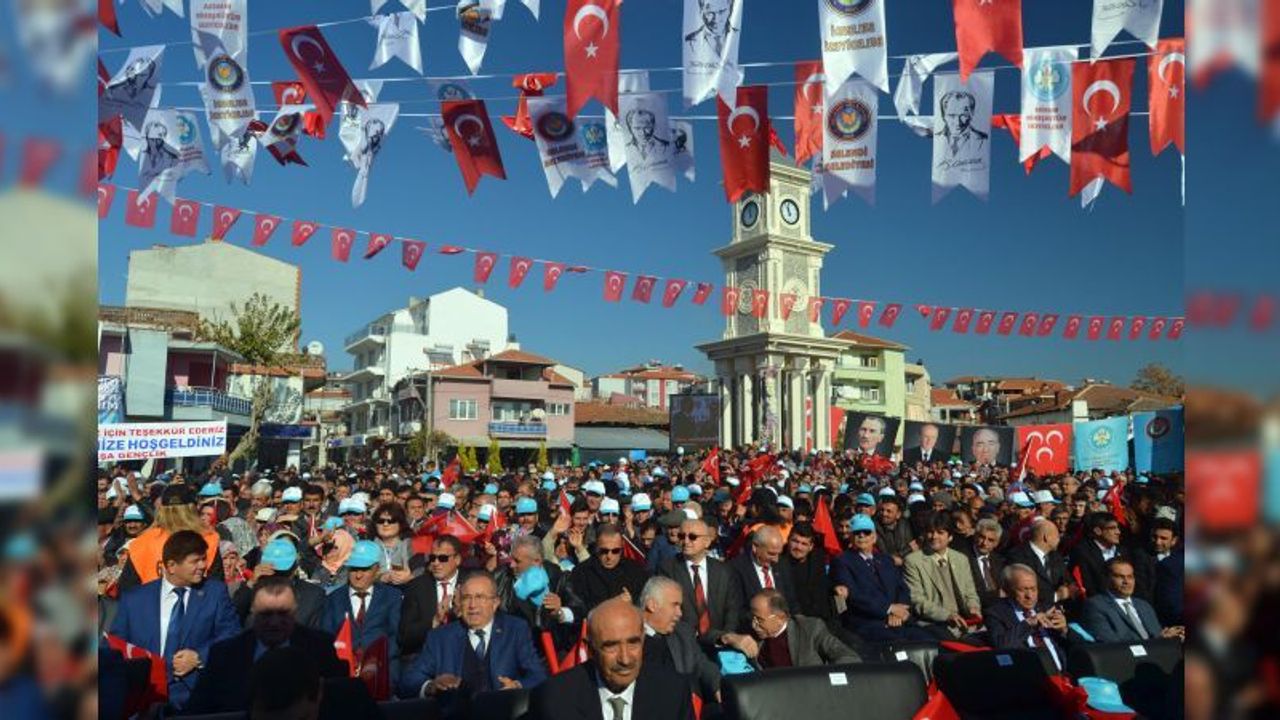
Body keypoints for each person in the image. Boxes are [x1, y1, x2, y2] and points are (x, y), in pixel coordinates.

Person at [110, 530, 240, 711]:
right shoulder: (135, 599)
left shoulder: (215, 593)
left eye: (204, 559)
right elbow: (116, 646)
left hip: (195, 695)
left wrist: (199, 657)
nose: (203, 565)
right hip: (145, 696)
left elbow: (232, 635)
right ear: (171, 566)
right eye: (195, 561)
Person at [186, 577, 348, 714]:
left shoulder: (319, 647)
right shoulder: (224, 655)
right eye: (266, 614)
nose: (274, 623)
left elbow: (338, 705)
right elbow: (197, 710)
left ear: (295, 611)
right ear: (253, 612)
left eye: (283, 614)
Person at [528, 597, 694, 720]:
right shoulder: (554, 698)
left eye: (633, 643)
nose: (625, 659)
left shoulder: (672, 692)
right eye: (611, 646)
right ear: (590, 648)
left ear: (643, 640)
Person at [398, 573, 547, 700]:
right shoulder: (441, 638)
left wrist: (517, 686)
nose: (472, 605)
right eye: (466, 598)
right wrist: (431, 686)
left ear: (495, 603)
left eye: (480, 597)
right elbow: (408, 682)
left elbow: (538, 675)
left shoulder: (515, 630)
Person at [830, 515, 934, 642]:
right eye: (857, 533)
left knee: (929, 641)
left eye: (866, 532)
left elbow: (902, 588)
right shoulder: (842, 561)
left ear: (874, 537)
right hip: (867, 623)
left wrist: (900, 609)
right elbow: (853, 595)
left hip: (899, 619)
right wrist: (889, 609)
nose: (861, 535)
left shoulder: (886, 560)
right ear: (851, 537)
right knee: (900, 645)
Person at [656, 517, 743, 648]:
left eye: (692, 537)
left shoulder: (724, 570)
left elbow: (732, 609)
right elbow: (667, 610)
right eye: (681, 536)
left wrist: (726, 637)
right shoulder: (667, 569)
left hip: (721, 643)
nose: (686, 541)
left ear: (707, 542)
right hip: (685, 645)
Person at [319, 540, 402, 676]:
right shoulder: (333, 599)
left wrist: (375, 661)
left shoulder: (392, 597)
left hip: (382, 669)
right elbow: (326, 638)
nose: (358, 575)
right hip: (342, 671)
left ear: (377, 569)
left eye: (364, 569)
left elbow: (396, 636)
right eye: (354, 569)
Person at [495, 534, 585, 656]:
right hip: (510, 650)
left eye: (517, 561)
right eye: (512, 559)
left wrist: (560, 612)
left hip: (548, 654)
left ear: (537, 561)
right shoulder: (499, 577)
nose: (511, 565)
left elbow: (580, 611)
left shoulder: (558, 578)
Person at [639, 576, 720, 703]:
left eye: (680, 606)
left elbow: (702, 664)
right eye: (674, 605)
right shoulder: (629, 637)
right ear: (652, 605)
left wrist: (717, 686)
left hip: (688, 705)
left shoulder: (683, 633)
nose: (680, 613)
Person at [902, 515, 982, 639]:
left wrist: (973, 607)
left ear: (950, 537)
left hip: (964, 620)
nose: (934, 536)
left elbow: (970, 592)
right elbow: (917, 600)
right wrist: (947, 616)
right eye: (930, 532)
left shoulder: (961, 559)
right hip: (934, 623)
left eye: (940, 532)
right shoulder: (913, 561)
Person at [985, 565, 1073, 672]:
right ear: (1007, 590)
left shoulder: (1046, 607)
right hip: (1027, 675)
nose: (1030, 596)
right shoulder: (996, 613)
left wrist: (1064, 630)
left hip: (1062, 673)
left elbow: (1074, 644)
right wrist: (1029, 623)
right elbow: (1001, 646)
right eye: (1023, 590)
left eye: (1033, 589)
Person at [746, 589, 859, 669]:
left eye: (759, 620)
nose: (754, 625)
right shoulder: (751, 637)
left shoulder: (809, 629)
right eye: (752, 618)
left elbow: (847, 657)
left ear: (780, 618)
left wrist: (824, 679)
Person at [1080, 558, 1183, 643]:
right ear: (1106, 579)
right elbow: (1111, 645)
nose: (1126, 582)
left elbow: (1157, 635)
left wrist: (1170, 636)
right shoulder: (1095, 606)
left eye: (1130, 577)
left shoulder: (1144, 605)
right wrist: (1158, 640)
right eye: (1120, 577)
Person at [231, 537, 326, 630]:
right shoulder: (251, 592)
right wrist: (251, 583)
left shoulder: (314, 596)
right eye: (274, 572)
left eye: (282, 573)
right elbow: (233, 615)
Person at [398, 535, 466, 661]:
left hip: (464, 654)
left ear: (457, 559)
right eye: (432, 558)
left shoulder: (471, 582)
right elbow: (405, 636)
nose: (436, 563)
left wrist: (461, 614)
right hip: (427, 655)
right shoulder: (417, 586)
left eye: (443, 558)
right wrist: (434, 621)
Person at [1070, 512, 1152, 601]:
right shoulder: (1083, 553)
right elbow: (1088, 585)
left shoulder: (1125, 551)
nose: (1118, 532)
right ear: (1098, 531)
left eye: (1118, 528)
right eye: (1112, 528)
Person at [570, 525, 651, 613]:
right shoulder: (581, 572)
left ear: (622, 545)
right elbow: (578, 609)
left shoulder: (636, 571)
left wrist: (631, 605)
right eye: (604, 551)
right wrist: (613, 604)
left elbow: (645, 606)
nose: (609, 556)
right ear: (597, 547)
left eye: (615, 551)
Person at [729, 524, 798, 617]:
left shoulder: (783, 565)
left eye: (779, 554)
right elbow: (736, 609)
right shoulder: (736, 569)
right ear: (755, 547)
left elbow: (792, 602)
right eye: (771, 554)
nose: (776, 560)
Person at [1006, 518, 1077, 607]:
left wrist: (1070, 587)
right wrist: (1056, 596)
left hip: (1058, 609)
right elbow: (1022, 590)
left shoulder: (1055, 556)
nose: (1059, 540)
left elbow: (1067, 579)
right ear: (1046, 537)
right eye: (1057, 536)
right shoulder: (1018, 557)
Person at [780, 522, 835, 622]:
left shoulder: (818, 560)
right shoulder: (778, 563)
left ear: (811, 547)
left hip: (822, 619)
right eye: (795, 541)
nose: (798, 547)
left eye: (804, 544)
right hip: (794, 620)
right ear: (788, 540)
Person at [966, 518, 1006, 611]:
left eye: (990, 540)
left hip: (999, 608)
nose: (984, 543)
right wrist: (997, 594)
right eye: (982, 537)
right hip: (976, 608)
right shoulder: (964, 558)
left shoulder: (999, 560)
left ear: (996, 543)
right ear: (975, 536)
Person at [1149, 518, 1184, 626]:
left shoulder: (1181, 559)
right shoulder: (1141, 557)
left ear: (1174, 540)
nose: (1158, 542)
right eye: (1155, 537)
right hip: (1158, 618)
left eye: (1163, 538)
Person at [937, 89, 988, 160]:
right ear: (943, 116)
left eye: (963, 115)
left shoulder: (984, 139)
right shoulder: (936, 139)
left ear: (971, 115)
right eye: (952, 115)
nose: (958, 122)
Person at [873, 496, 913, 566]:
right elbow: (883, 554)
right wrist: (908, 549)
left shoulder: (906, 525)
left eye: (889, 511)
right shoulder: (874, 528)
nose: (884, 514)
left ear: (898, 514)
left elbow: (914, 548)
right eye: (882, 510)